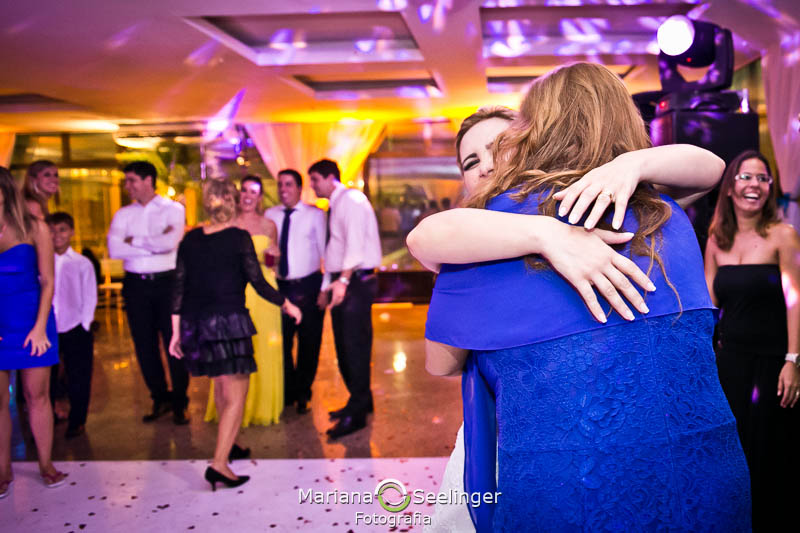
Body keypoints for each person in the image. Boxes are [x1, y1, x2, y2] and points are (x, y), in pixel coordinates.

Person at [417, 63, 750, 531]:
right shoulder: (667, 215)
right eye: (472, 161)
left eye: (501, 144)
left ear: (532, 134)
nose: (489, 166)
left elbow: (441, 361)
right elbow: (709, 169)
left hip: (566, 487)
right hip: (705, 476)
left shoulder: (473, 252)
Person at [167, 179, 301, 490]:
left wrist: (175, 334)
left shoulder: (191, 239)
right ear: (231, 202)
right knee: (235, 397)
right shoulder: (239, 238)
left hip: (198, 325)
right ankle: (219, 464)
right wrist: (287, 304)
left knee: (221, 386)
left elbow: (178, 288)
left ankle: (232, 445)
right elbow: (258, 282)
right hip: (229, 323)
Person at [704, 149, 800, 531]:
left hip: (774, 362)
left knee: (772, 452)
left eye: (763, 178)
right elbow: (709, 308)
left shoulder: (783, 234)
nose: (754, 185)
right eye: (746, 177)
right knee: (734, 450)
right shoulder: (716, 239)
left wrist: (793, 360)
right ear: (730, 187)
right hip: (730, 363)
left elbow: (795, 301)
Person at [0, 166, 66, 498]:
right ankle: (3, 470)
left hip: (32, 320)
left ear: (4, 191)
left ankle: (45, 464)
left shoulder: (34, 227)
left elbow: (48, 281)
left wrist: (40, 328)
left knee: (36, 396)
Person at [107, 161, 189, 425]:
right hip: (135, 285)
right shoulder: (123, 214)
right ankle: (159, 398)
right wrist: (153, 244)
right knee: (144, 345)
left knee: (174, 342)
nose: (127, 186)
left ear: (148, 180)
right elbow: (115, 249)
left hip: (168, 283)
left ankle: (180, 402)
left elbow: (170, 243)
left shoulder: (173, 209)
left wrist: (133, 240)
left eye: (131, 180)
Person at [309, 159, 381, 439]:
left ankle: (357, 414)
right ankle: (360, 401)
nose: (312, 186)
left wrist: (343, 281)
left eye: (315, 180)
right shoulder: (337, 204)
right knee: (345, 346)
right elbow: (335, 249)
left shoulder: (351, 200)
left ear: (330, 178)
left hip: (355, 282)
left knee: (354, 348)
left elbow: (354, 244)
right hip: (346, 280)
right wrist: (327, 285)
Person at [206, 175, 285, 428]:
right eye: (245, 190)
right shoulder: (227, 222)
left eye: (254, 191)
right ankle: (232, 409)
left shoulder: (269, 225)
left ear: (260, 197)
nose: (248, 196)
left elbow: (273, 263)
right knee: (235, 348)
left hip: (264, 291)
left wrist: (274, 256)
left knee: (264, 347)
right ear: (238, 195)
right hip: (235, 291)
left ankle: (262, 406)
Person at [266, 169, 326, 415]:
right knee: (280, 342)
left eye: (288, 184)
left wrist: (325, 289)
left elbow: (325, 253)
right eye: (280, 184)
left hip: (309, 285)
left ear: (299, 188)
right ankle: (288, 390)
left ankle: (304, 392)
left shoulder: (315, 214)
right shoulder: (270, 215)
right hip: (280, 287)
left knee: (309, 343)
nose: (283, 189)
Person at [47, 212, 97, 440]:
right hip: (47, 327)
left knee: (79, 376)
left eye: (62, 230)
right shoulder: (41, 261)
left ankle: (77, 421)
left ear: (72, 232)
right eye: (52, 230)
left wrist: (85, 324)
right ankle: (48, 418)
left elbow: (90, 295)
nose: (57, 235)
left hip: (76, 326)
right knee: (47, 378)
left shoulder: (82, 263)